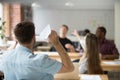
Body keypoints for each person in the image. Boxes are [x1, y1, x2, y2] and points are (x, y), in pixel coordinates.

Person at [0, 21, 74, 80]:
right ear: (34, 38)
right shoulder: (40, 61)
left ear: (16, 38)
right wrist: (57, 44)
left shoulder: (5, 57)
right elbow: (69, 68)